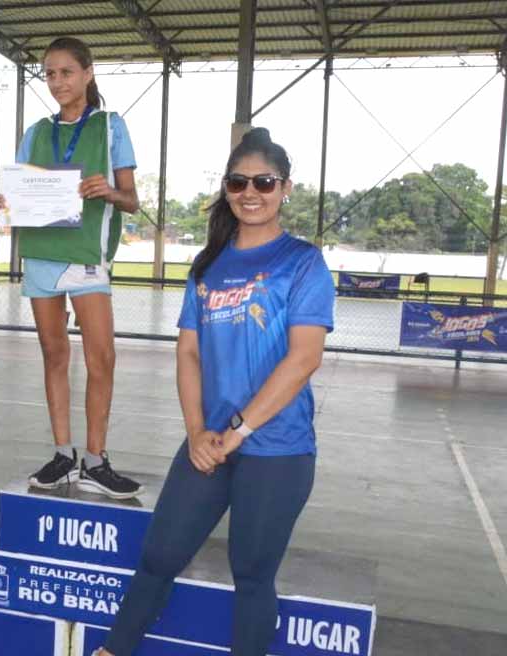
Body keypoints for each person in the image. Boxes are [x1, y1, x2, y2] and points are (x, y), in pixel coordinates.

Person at [95, 128, 335, 656]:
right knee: (159, 555)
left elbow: (304, 359)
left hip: (277, 449)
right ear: (226, 188)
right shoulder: (208, 265)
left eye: (264, 182)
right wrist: (197, 433)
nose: (251, 192)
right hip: (208, 445)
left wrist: (236, 431)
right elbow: (188, 354)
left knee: (251, 574)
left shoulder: (303, 262)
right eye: (239, 182)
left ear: (285, 187)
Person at [0, 37, 142, 499]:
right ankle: (62, 453)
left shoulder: (111, 126)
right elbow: (20, 195)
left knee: (101, 357)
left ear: (89, 73)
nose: (57, 82)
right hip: (42, 255)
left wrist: (107, 191)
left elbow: (131, 199)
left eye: (66, 72)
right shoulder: (36, 131)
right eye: (49, 73)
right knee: (54, 355)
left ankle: (95, 458)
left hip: (88, 255)